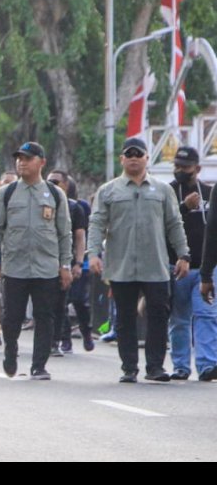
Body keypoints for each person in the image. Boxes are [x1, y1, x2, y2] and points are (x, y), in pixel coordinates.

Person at [88, 137, 190, 383]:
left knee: (158, 314)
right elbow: (97, 223)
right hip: (121, 265)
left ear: (146, 158)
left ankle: (155, 366)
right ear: (122, 159)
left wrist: (183, 254)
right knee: (124, 317)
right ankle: (129, 367)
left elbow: (174, 224)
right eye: (128, 154)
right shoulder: (109, 190)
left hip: (155, 265)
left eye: (139, 153)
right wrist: (92, 254)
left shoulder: (162, 190)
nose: (133, 157)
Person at [0, 142, 72, 380]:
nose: (21, 162)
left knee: (45, 317)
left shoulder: (55, 194)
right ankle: (10, 350)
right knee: (12, 316)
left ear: (41, 162)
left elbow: (65, 233)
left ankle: (39, 365)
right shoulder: (7, 192)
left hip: (46, 268)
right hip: (15, 267)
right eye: (19, 158)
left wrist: (65, 265)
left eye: (28, 158)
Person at [161, 147, 217, 381]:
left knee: (206, 314)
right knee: (179, 318)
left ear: (198, 168)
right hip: (177, 266)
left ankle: (207, 365)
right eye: (177, 166)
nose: (180, 171)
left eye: (185, 167)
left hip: (205, 267)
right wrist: (183, 207)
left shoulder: (209, 192)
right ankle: (181, 365)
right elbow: (160, 227)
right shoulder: (168, 192)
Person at [47, 170, 93, 355]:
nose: (52, 185)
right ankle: (61, 339)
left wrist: (79, 262)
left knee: (79, 300)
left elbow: (80, 236)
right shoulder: (44, 205)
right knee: (59, 303)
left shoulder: (77, 208)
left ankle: (86, 331)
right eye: (49, 182)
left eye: (56, 182)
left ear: (66, 185)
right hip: (51, 262)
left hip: (74, 261)